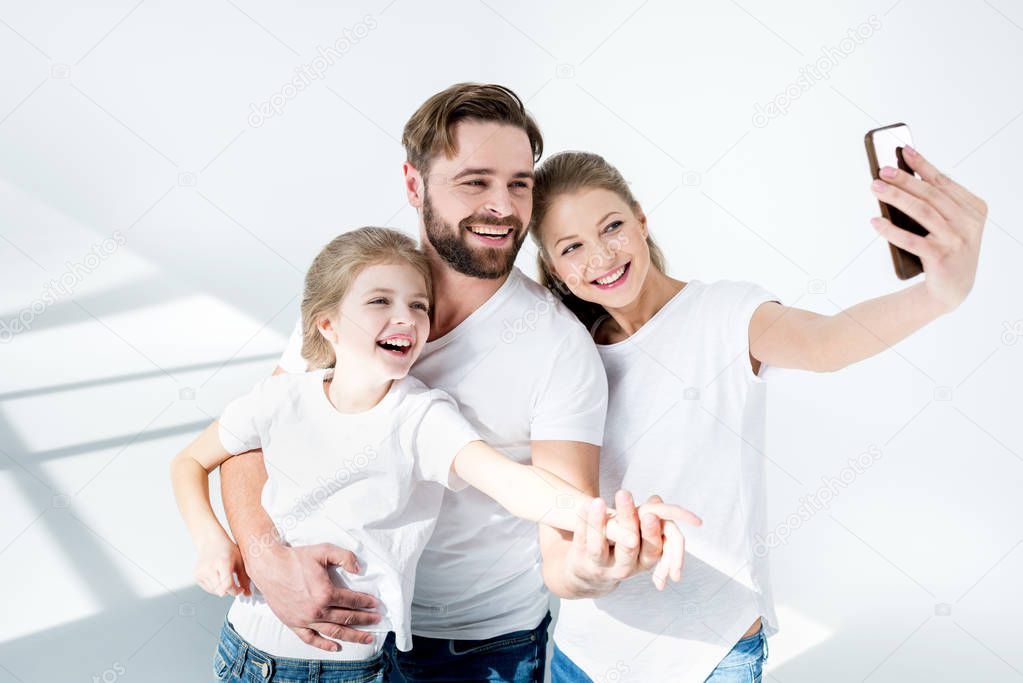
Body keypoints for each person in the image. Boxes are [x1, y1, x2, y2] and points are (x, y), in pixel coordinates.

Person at [218, 84, 680, 682]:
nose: (504, 206)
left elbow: (560, 526)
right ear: (414, 185)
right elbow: (251, 438)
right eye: (475, 181)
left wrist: (609, 542)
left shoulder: (557, 346)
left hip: (473, 650)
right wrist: (265, 556)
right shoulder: (364, 293)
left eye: (519, 183)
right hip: (332, 628)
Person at [527, 149, 987, 682]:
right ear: (556, 269)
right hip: (586, 657)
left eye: (612, 227)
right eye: (573, 247)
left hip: (711, 656)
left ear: (641, 219)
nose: (601, 256)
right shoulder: (564, 353)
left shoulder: (723, 314)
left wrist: (937, 296)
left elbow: (827, 343)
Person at [170, 227, 697, 682]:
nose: (406, 317)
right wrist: (212, 540)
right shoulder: (281, 398)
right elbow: (190, 461)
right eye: (379, 302)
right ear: (327, 324)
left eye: (418, 304)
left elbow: (513, 483)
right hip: (247, 651)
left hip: (356, 666)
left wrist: (605, 518)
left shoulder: (420, 417)